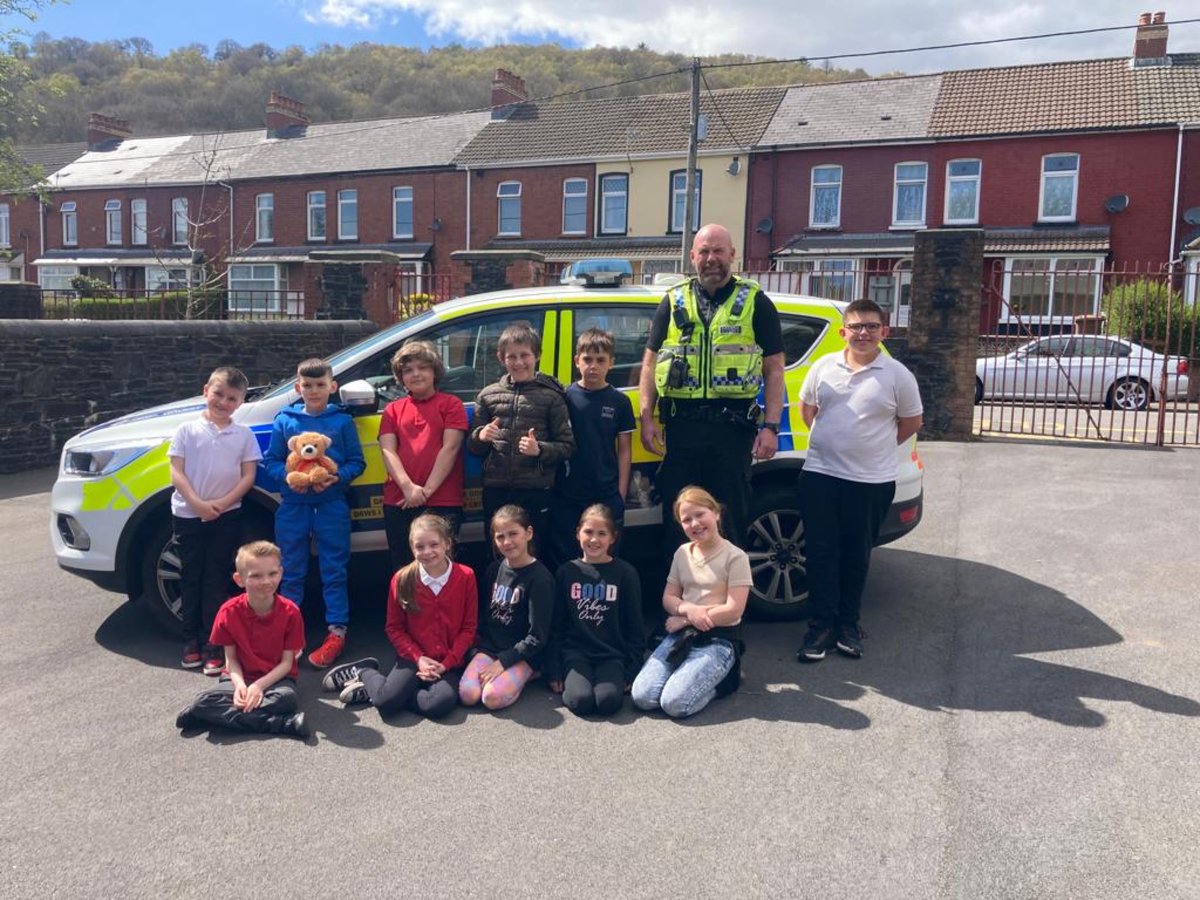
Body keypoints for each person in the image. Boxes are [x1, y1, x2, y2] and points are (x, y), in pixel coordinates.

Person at [638, 223, 785, 557]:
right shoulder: (673, 301)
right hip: (681, 430)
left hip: (732, 433)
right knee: (680, 521)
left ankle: (729, 606)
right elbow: (649, 364)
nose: (711, 259)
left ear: (732, 255)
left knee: (729, 520)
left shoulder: (755, 302)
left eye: (718, 251)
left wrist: (771, 426)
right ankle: (682, 603)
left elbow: (775, 367)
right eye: (704, 251)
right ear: (692, 257)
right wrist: (648, 418)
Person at [796, 298, 923, 662]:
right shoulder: (823, 367)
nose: (863, 333)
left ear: (884, 331)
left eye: (871, 326)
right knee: (820, 554)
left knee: (856, 555)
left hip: (870, 481)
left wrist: (873, 449)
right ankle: (819, 627)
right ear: (843, 332)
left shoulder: (898, 375)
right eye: (856, 326)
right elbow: (809, 412)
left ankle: (848, 625)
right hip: (820, 475)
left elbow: (911, 423)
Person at [260, 358, 366, 669]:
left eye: (321, 385)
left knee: (334, 570)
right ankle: (289, 632)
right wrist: (289, 477)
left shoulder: (342, 422)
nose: (314, 391)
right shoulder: (285, 420)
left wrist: (338, 477)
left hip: (332, 505)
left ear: (332, 387)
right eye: (307, 385)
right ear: (297, 388)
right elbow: (272, 462)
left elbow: (356, 463)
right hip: (293, 506)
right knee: (291, 571)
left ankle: (336, 631)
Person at [324, 513, 477, 719]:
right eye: (419, 547)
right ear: (411, 548)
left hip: (448, 661)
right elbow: (394, 628)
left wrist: (447, 663)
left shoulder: (466, 576)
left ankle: (380, 691)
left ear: (447, 544)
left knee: (440, 705)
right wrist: (419, 658)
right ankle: (364, 671)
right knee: (385, 704)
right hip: (413, 657)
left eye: (434, 544)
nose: (427, 552)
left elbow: (469, 628)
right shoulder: (402, 579)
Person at [167, 366, 261, 675]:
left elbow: (249, 476)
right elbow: (176, 472)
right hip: (188, 514)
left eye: (231, 398)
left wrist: (221, 504)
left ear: (240, 403)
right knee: (190, 576)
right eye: (218, 393)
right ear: (206, 389)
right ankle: (190, 641)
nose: (223, 401)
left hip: (226, 514)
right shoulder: (186, 430)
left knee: (217, 578)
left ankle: (213, 644)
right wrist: (197, 503)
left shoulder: (243, 435)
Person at [631, 486, 750, 719]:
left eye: (700, 514)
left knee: (674, 704)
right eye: (686, 520)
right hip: (681, 636)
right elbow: (669, 598)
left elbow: (733, 610)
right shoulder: (682, 553)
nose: (694, 524)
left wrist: (686, 619)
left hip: (718, 638)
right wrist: (688, 609)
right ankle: (693, 675)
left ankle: (725, 681)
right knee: (643, 697)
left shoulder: (736, 557)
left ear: (716, 513)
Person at [175, 541, 309, 738]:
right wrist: (240, 687)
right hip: (238, 676)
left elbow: (287, 663)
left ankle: (208, 716)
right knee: (202, 701)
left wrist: (258, 686)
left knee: (286, 700)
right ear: (239, 579)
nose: (266, 581)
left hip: (276, 678)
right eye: (256, 576)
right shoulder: (228, 612)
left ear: (281, 573)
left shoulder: (291, 612)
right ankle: (279, 724)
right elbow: (231, 660)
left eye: (272, 574)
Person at [466, 322, 575, 559]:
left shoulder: (551, 397)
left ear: (537, 356)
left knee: (536, 550)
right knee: (497, 552)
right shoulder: (488, 395)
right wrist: (481, 436)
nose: (518, 362)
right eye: (511, 356)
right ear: (501, 357)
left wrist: (540, 450)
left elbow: (567, 446)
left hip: (535, 490)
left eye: (524, 355)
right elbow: (472, 446)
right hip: (496, 489)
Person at [548, 328, 636, 566]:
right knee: (568, 557)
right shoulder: (565, 396)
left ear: (611, 363)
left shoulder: (620, 401)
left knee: (606, 557)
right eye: (587, 359)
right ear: (577, 361)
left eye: (600, 360)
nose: (593, 366)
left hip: (606, 493)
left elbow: (625, 449)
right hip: (568, 494)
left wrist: (620, 492)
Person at [378, 340, 468, 571]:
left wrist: (425, 491)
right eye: (408, 370)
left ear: (434, 371)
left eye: (422, 367)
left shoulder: (451, 405)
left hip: (442, 499)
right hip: (400, 500)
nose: (415, 374)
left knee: (441, 568)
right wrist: (408, 488)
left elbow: (450, 448)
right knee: (404, 568)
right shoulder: (392, 410)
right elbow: (388, 450)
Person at [547, 505, 644, 717]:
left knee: (608, 701)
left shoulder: (625, 573)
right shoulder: (566, 572)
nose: (594, 540)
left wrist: (632, 670)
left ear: (613, 538)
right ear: (577, 534)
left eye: (602, 534)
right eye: (588, 532)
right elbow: (556, 625)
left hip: (611, 655)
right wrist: (554, 668)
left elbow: (635, 627)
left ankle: (609, 682)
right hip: (575, 654)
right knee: (580, 701)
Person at [459, 505, 555, 711]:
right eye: (500, 537)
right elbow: (485, 616)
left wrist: (503, 662)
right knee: (468, 694)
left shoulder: (540, 579)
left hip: (525, 653)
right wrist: (480, 651)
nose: (507, 542)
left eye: (513, 534)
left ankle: (531, 673)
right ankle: (503, 674)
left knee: (491, 698)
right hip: (491, 647)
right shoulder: (494, 569)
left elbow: (537, 636)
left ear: (528, 533)